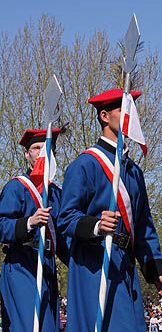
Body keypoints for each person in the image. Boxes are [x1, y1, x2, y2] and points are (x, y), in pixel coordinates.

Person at [58, 89, 162, 331]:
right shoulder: (85, 165)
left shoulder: (133, 171)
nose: (131, 115)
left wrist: (156, 271)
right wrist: (97, 225)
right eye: (124, 110)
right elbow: (65, 219)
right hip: (94, 263)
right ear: (104, 116)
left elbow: (143, 227)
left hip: (125, 264)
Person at [0, 128, 68, 331]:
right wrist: (29, 222)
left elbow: (64, 239)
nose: (42, 153)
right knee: (29, 326)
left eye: (47, 149)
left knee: (49, 326)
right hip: (21, 263)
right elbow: (1, 225)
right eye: (36, 148)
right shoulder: (16, 187)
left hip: (47, 264)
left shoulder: (57, 193)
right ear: (27, 153)